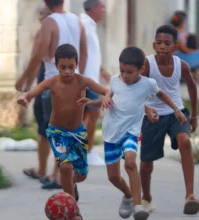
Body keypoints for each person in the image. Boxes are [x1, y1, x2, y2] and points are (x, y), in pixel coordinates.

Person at [78, 46, 188, 220]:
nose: (125, 76)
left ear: (141, 70)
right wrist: (92, 102)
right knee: (113, 177)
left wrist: (176, 110)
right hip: (112, 132)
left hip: (131, 131)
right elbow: (109, 100)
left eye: (129, 72)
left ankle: (138, 206)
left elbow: (162, 95)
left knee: (130, 162)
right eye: (122, 71)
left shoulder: (147, 84)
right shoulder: (115, 81)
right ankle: (128, 196)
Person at [17, 43, 113, 220]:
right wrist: (25, 96)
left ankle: (72, 186)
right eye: (63, 67)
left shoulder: (82, 80)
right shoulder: (53, 82)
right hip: (57, 132)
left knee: (81, 175)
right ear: (56, 66)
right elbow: (34, 91)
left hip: (78, 133)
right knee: (65, 168)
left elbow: (106, 90)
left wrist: (106, 97)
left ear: (76, 64)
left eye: (71, 67)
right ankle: (73, 212)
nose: (67, 71)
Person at [16, 0, 88, 193]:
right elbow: (84, 53)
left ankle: (60, 178)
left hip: (53, 84)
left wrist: (24, 81)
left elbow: (39, 53)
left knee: (55, 132)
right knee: (67, 130)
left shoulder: (50, 22)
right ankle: (61, 175)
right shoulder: (76, 20)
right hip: (75, 84)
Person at [140, 25, 199, 215]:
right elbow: (134, 91)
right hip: (153, 116)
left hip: (177, 113)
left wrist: (195, 115)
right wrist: (146, 108)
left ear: (175, 47)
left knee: (185, 142)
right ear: (154, 45)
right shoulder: (147, 65)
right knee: (146, 164)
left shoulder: (181, 65)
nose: (162, 46)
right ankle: (147, 196)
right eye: (159, 43)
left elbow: (192, 88)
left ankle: (190, 195)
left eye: (167, 43)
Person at [22, 4, 60, 188]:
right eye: (39, 15)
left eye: (43, 15)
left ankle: (55, 174)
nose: (40, 18)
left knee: (54, 130)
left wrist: (25, 84)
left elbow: (37, 57)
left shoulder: (50, 28)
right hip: (43, 81)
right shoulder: (51, 28)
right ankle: (44, 171)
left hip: (49, 82)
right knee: (43, 129)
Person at [81, 0, 111, 166]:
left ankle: (84, 150)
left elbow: (90, 53)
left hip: (91, 76)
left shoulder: (90, 25)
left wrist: (102, 71)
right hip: (86, 78)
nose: (104, 10)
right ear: (92, 8)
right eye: (102, 7)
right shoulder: (84, 25)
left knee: (86, 116)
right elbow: (81, 51)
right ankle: (89, 151)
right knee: (92, 115)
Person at [170, 10, 199, 81]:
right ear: (182, 21)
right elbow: (184, 50)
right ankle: (194, 75)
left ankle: (194, 74)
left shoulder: (177, 30)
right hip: (178, 57)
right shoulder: (175, 32)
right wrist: (193, 51)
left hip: (179, 55)